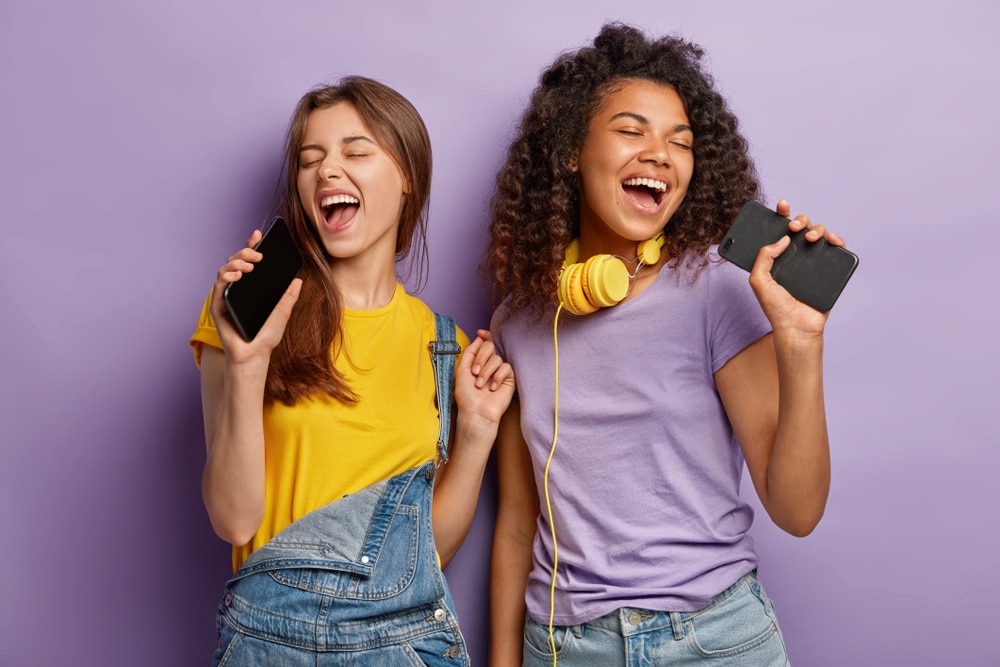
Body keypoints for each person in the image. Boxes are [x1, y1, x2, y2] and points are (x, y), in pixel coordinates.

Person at [486, 24, 845, 666]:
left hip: (714, 640)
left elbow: (797, 510)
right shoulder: (520, 322)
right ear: (572, 151)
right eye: (632, 131)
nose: (660, 154)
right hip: (565, 647)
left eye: (680, 142)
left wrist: (799, 343)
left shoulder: (715, 291)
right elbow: (516, 524)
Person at [190, 76, 514, 666]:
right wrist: (247, 361)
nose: (327, 171)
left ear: (407, 175)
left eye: (356, 151)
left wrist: (475, 434)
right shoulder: (245, 314)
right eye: (311, 160)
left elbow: (426, 557)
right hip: (269, 646)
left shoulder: (444, 347)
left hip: (402, 647)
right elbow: (234, 520)